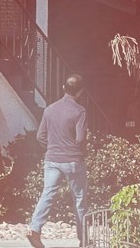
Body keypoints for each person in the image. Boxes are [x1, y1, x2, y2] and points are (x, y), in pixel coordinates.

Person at [26, 74, 88, 248]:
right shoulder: (80, 111)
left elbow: (40, 136)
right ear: (81, 91)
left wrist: (53, 147)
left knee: (47, 194)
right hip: (73, 160)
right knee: (79, 198)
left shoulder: (50, 109)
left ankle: (35, 230)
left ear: (63, 87)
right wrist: (78, 152)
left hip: (52, 160)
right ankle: (84, 240)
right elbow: (81, 138)